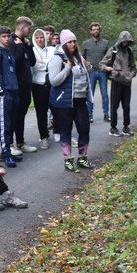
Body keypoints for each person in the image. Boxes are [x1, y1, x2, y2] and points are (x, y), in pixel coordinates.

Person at [48, 29, 93, 173]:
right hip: (64, 101)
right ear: (64, 43)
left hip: (80, 99)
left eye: (74, 41)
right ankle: (68, 160)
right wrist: (67, 67)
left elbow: (86, 74)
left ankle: (82, 158)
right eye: (69, 42)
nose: (73, 44)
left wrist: (88, 65)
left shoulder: (78, 57)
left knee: (84, 129)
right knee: (66, 131)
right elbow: (54, 81)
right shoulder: (57, 59)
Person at [0, 26, 21, 167]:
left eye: (8, 36)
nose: (7, 39)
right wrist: (1, 91)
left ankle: (6, 150)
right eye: (3, 36)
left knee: (12, 124)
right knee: (4, 125)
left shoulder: (8, 52)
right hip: (5, 94)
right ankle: (7, 153)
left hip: (14, 92)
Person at [100, 30, 137, 137]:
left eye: (127, 41)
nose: (125, 43)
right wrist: (108, 68)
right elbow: (101, 64)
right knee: (114, 106)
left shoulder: (129, 51)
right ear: (120, 40)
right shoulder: (113, 50)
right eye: (124, 41)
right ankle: (113, 127)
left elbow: (133, 66)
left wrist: (131, 74)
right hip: (116, 81)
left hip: (127, 82)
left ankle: (126, 127)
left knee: (126, 106)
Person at [10, 17, 37, 155]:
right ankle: (10, 144)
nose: (29, 31)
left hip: (27, 85)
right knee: (14, 115)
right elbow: (16, 62)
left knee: (22, 115)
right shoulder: (12, 42)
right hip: (17, 85)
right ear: (22, 28)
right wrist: (20, 46)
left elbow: (32, 62)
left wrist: (28, 46)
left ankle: (20, 142)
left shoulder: (24, 43)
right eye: (28, 28)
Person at [30, 28, 54, 150]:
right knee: (41, 113)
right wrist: (46, 63)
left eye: (41, 37)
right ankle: (44, 137)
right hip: (38, 85)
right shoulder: (32, 51)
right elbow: (33, 67)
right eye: (37, 37)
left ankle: (61, 133)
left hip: (52, 83)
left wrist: (42, 62)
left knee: (57, 110)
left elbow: (54, 63)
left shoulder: (51, 49)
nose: (40, 39)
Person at [82, 22, 110, 123]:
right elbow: (82, 57)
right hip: (91, 72)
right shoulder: (86, 44)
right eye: (94, 29)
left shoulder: (105, 43)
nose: (95, 31)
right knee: (90, 94)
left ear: (100, 30)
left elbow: (109, 57)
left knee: (104, 94)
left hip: (102, 71)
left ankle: (106, 114)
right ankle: (89, 115)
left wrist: (108, 67)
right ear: (90, 31)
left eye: (97, 29)